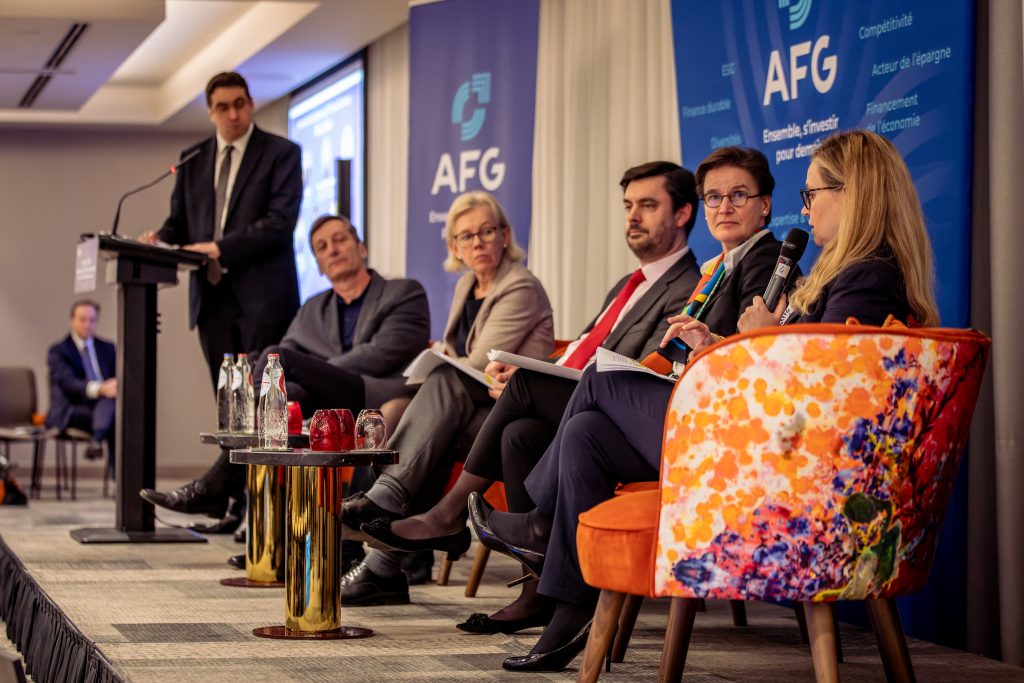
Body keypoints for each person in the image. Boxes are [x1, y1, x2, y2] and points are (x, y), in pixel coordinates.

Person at [469, 129, 939, 672]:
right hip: (761, 445)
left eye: (812, 194)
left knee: (600, 379)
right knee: (584, 434)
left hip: (781, 469)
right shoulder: (850, 275)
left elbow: (817, 397)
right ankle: (569, 614)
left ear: (855, 194)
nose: (806, 209)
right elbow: (791, 378)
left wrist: (761, 337)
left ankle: (540, 524)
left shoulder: (867, 279)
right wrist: (720, 345)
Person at [362, 159, 710, 626]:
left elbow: (644, 370)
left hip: (616, 411)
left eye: (647, 206)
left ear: (683, 213)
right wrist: (538, 370)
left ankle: (440, 518)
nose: (633, 216)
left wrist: (533, 377)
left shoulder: (686, 286)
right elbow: (582, 348)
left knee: (473, 390)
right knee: (518, 431)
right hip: (573, 395)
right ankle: (536, 590)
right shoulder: (628, 284)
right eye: (628, 205)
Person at [139, 215, 430, 538]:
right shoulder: (314, 307)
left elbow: (383, 353)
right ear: (318, 265)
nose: (332, 250)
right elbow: (293, 351)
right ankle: (272, 536)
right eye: (322, 247)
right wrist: (309, 373)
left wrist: (314, 369)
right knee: (290, 393)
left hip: (374, 396)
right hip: (324, 404)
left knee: (278, 358)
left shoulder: (403, 292)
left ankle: (218, 487)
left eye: (340, 240)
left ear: (361, 248)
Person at [338, 190, 556, 606]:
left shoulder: (521, 286)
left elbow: (478, 366)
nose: (477, 242)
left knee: (437, 396)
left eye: (486, 232)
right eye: (466, 236)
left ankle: (384, 529)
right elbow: (459, 355)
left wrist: (443, 362)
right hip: (475, 413)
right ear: (454, 246)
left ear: (504, 235)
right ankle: (384, 559)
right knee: (407, 411)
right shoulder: (467, 286)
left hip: (512, 417)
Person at [140, 71, 302, 390]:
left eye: (239, 104)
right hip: (211, 299)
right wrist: (158, 239)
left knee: (264, 397)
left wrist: (220, 248)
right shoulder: (193, 159)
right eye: (223, 107)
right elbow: (180, 222)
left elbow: (280, 222)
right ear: (210, 112)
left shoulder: (280, 153)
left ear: (251, 104)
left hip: (264, 300)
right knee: (226, 397)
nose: (233, 115)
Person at [46, 300, 117, 469]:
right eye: (82, 319)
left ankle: (98, 440)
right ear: (72, 320)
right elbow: (69, 384)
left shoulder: (107, 348)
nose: (87, 325)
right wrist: (100, 389)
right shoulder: (58, 351)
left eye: (92, 320)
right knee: (117, 418)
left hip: (104, 405)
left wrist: (113, 386)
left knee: (116, 411)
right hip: (73, 410)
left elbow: (116, 377)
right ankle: (118, 477)